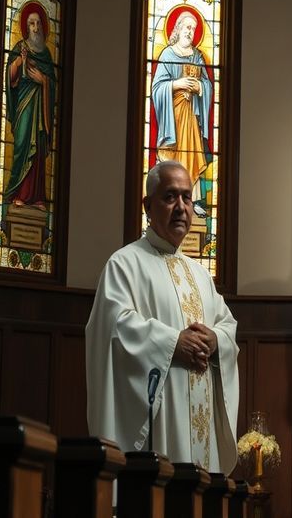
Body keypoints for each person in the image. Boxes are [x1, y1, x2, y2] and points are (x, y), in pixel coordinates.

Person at [86, 160, 238, 472]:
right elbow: (113, 328)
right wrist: (171, 343)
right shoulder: (124, 265)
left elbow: (228, 325)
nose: (182, 207)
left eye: (187, 197)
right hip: (161, 430)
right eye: (170, 197)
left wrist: (215, 341)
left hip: (201, 431)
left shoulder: (200, 275)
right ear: (147, 206)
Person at [151, 10, 214, 217]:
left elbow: (207, 85)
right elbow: (157, 88)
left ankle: (193, 199)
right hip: (173, 118)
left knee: (193, 155)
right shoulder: (167, 55)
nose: (191, 32)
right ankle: (168, 197)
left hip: (192, 119)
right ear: (177, 28)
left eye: (194, 29)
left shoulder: (197, 56)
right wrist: (176, 84)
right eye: (187, 27)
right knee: (174, 156)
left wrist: (200, 88)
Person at [4, 9, 58, 208]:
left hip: (40, 107)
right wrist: (19, 60)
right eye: (32, 24)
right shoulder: (21, 47)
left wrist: (43, 80)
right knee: (21, 145)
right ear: (26, 28)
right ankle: (17, 192)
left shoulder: (46, 53)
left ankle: (36, 197)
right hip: (24, 107)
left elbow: (53, 83)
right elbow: (10, 77)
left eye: (38, 23)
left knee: (38, 151)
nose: (36, 27)